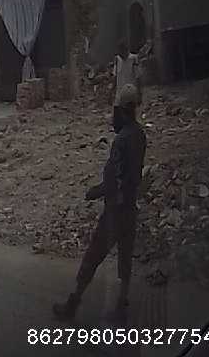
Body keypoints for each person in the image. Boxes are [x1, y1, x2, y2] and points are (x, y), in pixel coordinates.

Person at [52, 84, 146, 322]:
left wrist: (94, 192)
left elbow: (115, 180)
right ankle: (121, 305)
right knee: (125, 260)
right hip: (131, 207)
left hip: (115, 210)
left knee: (92, 258)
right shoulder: (139, 134)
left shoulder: (122, 140)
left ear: (122, 111)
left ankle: (73, 303)